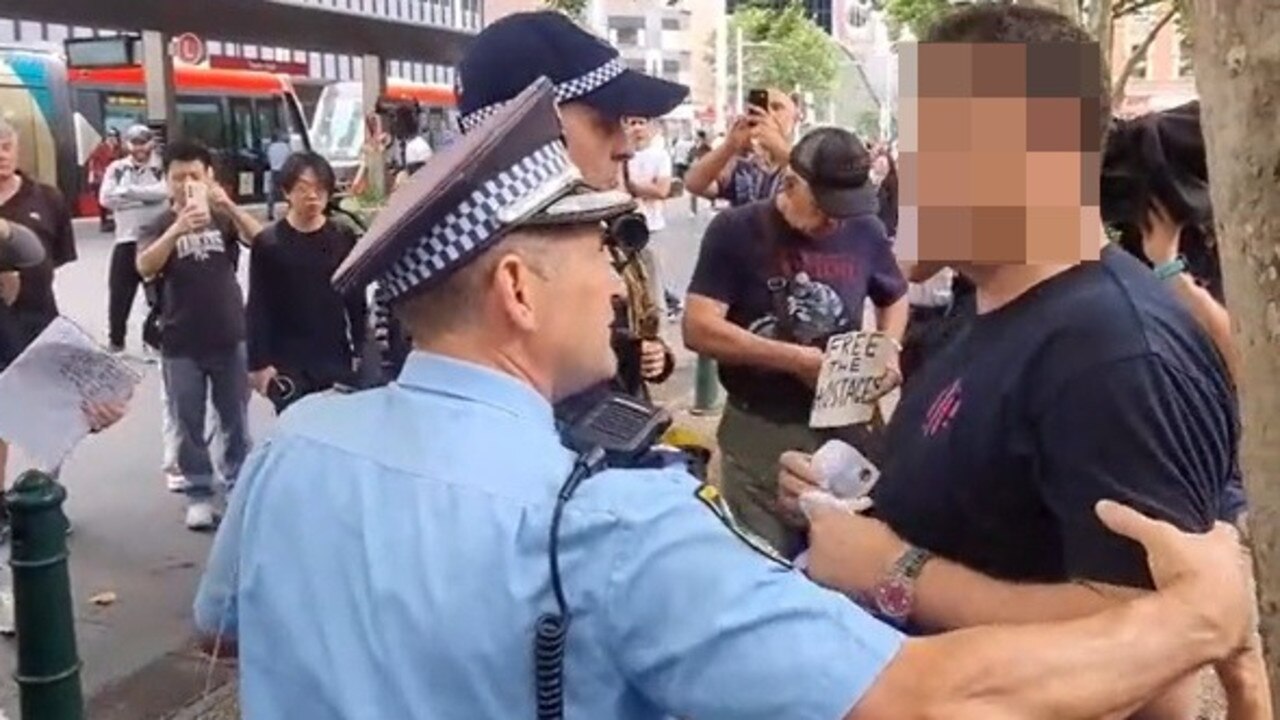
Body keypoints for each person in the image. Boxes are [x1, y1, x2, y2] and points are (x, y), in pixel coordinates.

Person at [189, 77, 1260, 720]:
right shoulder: (606, 525)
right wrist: (1192, 622)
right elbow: (930, 699)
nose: (618, 283)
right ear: (516, 288)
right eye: (597, 253)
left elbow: (223, 634)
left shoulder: (300, 448)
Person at [777, 5, 1267, 718]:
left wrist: (892, 571)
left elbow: (1152, 658)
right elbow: (994, 510)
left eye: (928, 140)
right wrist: (851, 509)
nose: (899, 170)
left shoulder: (1115, 352)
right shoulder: (992, 308)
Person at [446, 9, 686, 418]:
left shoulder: (608, 224)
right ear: (532, 128)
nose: (625, 145)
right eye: (603, 123)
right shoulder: (461, 259)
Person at [683, 126, 909, 559]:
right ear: (791, 184)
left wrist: (889, 349)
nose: (835, 222)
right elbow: (698, 326)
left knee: (846, 557)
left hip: (845, 422)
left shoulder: (865, 231)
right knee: (764, 560)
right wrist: (793, 360)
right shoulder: (736, 230)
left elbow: (894, 296)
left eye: (845, 209)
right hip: (762, 425)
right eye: (824, 209)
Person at [137, 139, 262, 531]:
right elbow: (144, 266)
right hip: (179, 341)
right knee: (187, 421)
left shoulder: (223, 218)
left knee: (235, 418)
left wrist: (227, 205)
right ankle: (198, 492)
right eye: (178, 177)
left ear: (209, 177)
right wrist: (177, 228)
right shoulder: (157, 224)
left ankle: (238, 483)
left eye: (195, 175)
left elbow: (264, 242)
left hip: (229, 333)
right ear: (167, 181)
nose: (186, 183)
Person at [246, 152, 366, 413]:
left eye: (320, 189)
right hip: (288, 361)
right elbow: (258, 306)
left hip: (334, 354)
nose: (312, 196)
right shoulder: (268, 243)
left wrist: (361, 346)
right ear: (287, 192)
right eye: (303, 189)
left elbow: (356, 297)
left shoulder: (342, 236)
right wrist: (258, 364)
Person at [99, 124, 169, 355]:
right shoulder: (117, 168)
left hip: (155, 240)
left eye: (143, 142)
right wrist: (147, 198)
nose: (139, 147)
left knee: (159, 297)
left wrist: (127, 192)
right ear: (128, 144)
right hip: (126, 240)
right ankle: (116, 342)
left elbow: (165, 193)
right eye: (134, 142)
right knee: (119, 296)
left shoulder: (161, 166)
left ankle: (154, 341)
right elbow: (106, 199)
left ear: (151, 142)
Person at [684, 88, 798, 207]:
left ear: (794, 119)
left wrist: (777, 145)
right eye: (762, 106)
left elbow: (814, 184)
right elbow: (693, 185)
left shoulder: (809, 155)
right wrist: (729, 146)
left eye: (776, 107)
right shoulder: (744, 165)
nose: (768, 113)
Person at [624, 116, 677, 318]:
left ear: (650, 127)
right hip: (623, 228)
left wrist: (634, 188)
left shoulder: (659, 156)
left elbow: (662, 190)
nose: (636, 128)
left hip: (650, 227)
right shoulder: (622, 157)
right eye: (632, 123)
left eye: (641, 122)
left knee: (652, 282)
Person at [87, 129, 123, 233]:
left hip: (115, 178)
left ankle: (116, 221)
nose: (112, 139)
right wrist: (94, 175)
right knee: (102, 200)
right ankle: (103, 222)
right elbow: (93, 162)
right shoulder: (100, 148)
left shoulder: (119, 149)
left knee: (117, 199)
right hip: (101, 178)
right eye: (110, 137)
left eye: (114, 137)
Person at [265, 131, 293, 221]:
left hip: (274, 171)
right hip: (284, 170)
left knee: (272, 193)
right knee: (288, 191)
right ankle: (291, 210)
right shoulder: (286, 147)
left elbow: (268, 159)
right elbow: (290, 158)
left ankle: (270, 213)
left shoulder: (271, 147)